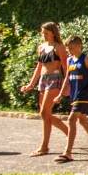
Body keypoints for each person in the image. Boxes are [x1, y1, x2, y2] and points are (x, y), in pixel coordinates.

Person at [21, 22, 69, 156]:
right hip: (43, 80)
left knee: (44, 113)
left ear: (53, 33)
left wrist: (66, 86)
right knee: (45, 115)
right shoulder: (41, 47)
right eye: (42, 33)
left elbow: (65, 68)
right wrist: (31, 84)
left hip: (55, 80)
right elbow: (39, 67)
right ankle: (65, 134)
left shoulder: (59, 47)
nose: (43, 35)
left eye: (46, 33)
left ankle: (44, 147)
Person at [54, 36, 88, 163]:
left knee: (71, 119)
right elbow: (67, 78)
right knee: (83, 121)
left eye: (71, 48)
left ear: (79, 46)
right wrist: (60, 94)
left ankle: (68, 153)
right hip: (74, 95)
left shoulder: (86, 59)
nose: (69, 50)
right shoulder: (69, 60)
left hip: (83, 95)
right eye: (67, 48)